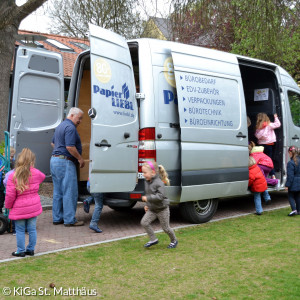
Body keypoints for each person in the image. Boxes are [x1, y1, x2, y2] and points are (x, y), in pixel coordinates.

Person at [5, 148, 45, 257]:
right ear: (32, 161)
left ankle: (21, 250)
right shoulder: (36, 173)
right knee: (32, 229)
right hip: (33, 206)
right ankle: (31, 249)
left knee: (20, 230)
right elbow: (43, 176)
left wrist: (8, 206)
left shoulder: (13, 175)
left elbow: (10, 194)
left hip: (19, 207)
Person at [50, 107, 85, 227]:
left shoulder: (60, 126)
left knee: (58, 191)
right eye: (79, 118)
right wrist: (80, 159)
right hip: (65, 161)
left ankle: (57, 218)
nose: (80, 121)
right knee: (69, 191)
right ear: (72, 115)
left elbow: (53, 143)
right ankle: (69, 220)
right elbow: (70, 147)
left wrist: (59, 150)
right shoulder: (70, 127)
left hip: (54, 160)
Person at [140, 161, 178, 248]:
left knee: (166, 228)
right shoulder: (147, 182)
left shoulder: (159, 183)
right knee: (144, 222)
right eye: (143, 172)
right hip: (152, 209)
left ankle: (174, 240)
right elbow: (148, 193)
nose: (143, 174)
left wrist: (148, 198)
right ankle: (153, 239)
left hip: (162, 209)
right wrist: (147, 205)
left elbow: (160, 196)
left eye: (145, 172)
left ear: (152, 172)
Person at [255, 113, 281, 178]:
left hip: (261, 146)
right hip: (269, 145)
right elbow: (278, 124)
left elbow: (256, 135)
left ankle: (262, 174)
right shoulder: (269, 125)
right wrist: (276, 117)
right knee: (269, 160)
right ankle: (272, 175)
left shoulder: (258, 126)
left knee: (262, 160)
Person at [285, 146, 300, 216]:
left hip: (294, 182)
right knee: (298, 196)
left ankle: (294, 210)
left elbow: (290, 176)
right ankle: (299, 210)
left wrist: (287, 185)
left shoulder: (291, 163)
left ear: (290, 153)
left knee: (291, 196)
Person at [0, 147, 15, 214]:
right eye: (10, 156)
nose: (11, 158)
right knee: (1, 200)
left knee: (7, 200)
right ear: (4, 154)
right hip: (1, 186)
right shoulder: (1, 162)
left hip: (8, 186)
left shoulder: (12, 162)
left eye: (12, 156)